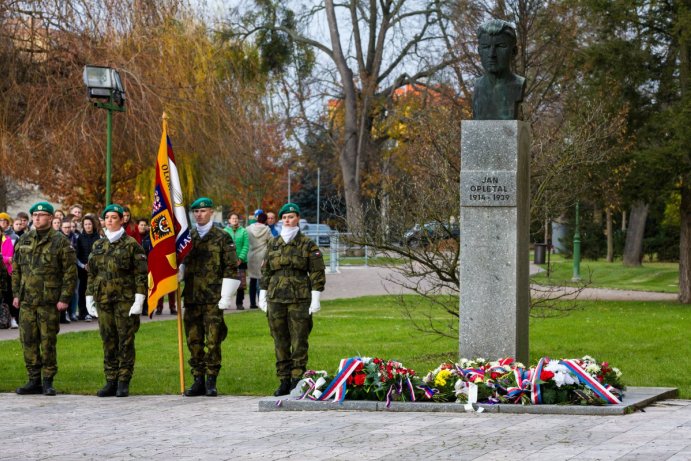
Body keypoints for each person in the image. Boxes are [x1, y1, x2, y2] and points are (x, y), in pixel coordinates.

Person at [259, 202, 326, 396]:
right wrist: (262, 295)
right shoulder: (273, 243)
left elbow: (316, 272)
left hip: (299, 298)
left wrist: (316, 298)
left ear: (297, 218)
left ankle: (297, 379)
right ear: (281, 220)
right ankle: (284, 379)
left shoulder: (307, 244)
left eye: (291, 217)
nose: (288, 221)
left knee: (299, 340)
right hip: (276, 298)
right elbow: (266, 271)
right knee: (279, 339)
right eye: (285, 218)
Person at [12, 202, 77, 396]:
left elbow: (70, 273)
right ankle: (33, 380)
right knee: (28, 340)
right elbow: (16, 269)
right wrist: (16, 294)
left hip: (49, 301)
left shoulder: (60, 241)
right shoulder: (24, 240)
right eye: (35, 215)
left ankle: (48, 381)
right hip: (27, 301)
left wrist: (65, 298)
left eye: (41, 215)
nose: (37, 218)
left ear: (50, 218)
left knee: (48, 342)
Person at [85, 204, 147, 398]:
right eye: (107, 218)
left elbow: (140, 275)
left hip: (124, 301)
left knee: (125, 341)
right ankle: (110, 380)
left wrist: (139, 299)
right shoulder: (98, 245)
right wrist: (89, 297)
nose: (110, 221)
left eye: (114, 217)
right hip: (103, 300)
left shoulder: (131, 245)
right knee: (108, 340)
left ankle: (123, 381)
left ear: (122, 220)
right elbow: (92, 274)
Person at [181, 197, 239, 397]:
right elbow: (179, 264)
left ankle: (211, 379)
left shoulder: (222, 237)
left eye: (203, 211)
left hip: (213, 297)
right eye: (196, 211)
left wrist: (226, 296)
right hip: (192, 297)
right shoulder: (187, 238)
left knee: (213, 340)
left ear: (211, 212)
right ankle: (198, 378)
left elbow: (231, 268)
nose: (199, 214)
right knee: (193, 340)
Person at [472, 19, 526, 121]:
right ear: (479, 51)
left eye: (500, 46)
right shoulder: (477, 86)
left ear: (514, 52)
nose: (492, 54)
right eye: (486, 47)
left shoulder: (519, 84)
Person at [139, 218, 176, 315]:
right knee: (158, 285)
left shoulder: (168, 236)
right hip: (155, 263)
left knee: (170, 286)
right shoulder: (149, 237)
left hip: (167, 262)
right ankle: (159, 307)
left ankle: (172, 307)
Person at [75, 214, 101, 321]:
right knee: (83, 290)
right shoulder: (80, 238)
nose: (87, 226)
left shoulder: (98, 237)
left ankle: (94, 311)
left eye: (89, 224)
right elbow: (77, 254)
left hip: (96, 269)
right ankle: (83, 312)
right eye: (85, 224)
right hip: (83, 269)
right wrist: (83, 265)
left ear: (93, 225)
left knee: (96, 290)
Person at [246, 212, 271, 309]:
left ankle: (252, 303)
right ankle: (261, 302)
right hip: (262, 256)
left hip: (251, 256)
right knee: (262, 280)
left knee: (252, 280)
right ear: (265, 220)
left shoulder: (248, 229)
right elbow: (271, 241)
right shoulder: (267, 229)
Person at [224, 213, 249, 310]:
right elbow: (224, 246)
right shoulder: (225, 231)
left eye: (236, 218)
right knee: (227, 283)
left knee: (240, 284)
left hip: (241, 262)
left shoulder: (243, 231)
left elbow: (246, 246)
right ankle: (225, 302)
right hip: (228, 262)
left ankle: (239, 303)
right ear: (229, 220)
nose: (234, 220)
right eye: (232, 218)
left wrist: (240, 258)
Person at [0, 212, 18, 328]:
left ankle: (12, 319)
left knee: (9, 295)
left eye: (2, 221)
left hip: (6, 272)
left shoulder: (8, 240)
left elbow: (10, 257)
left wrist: (3, 258)